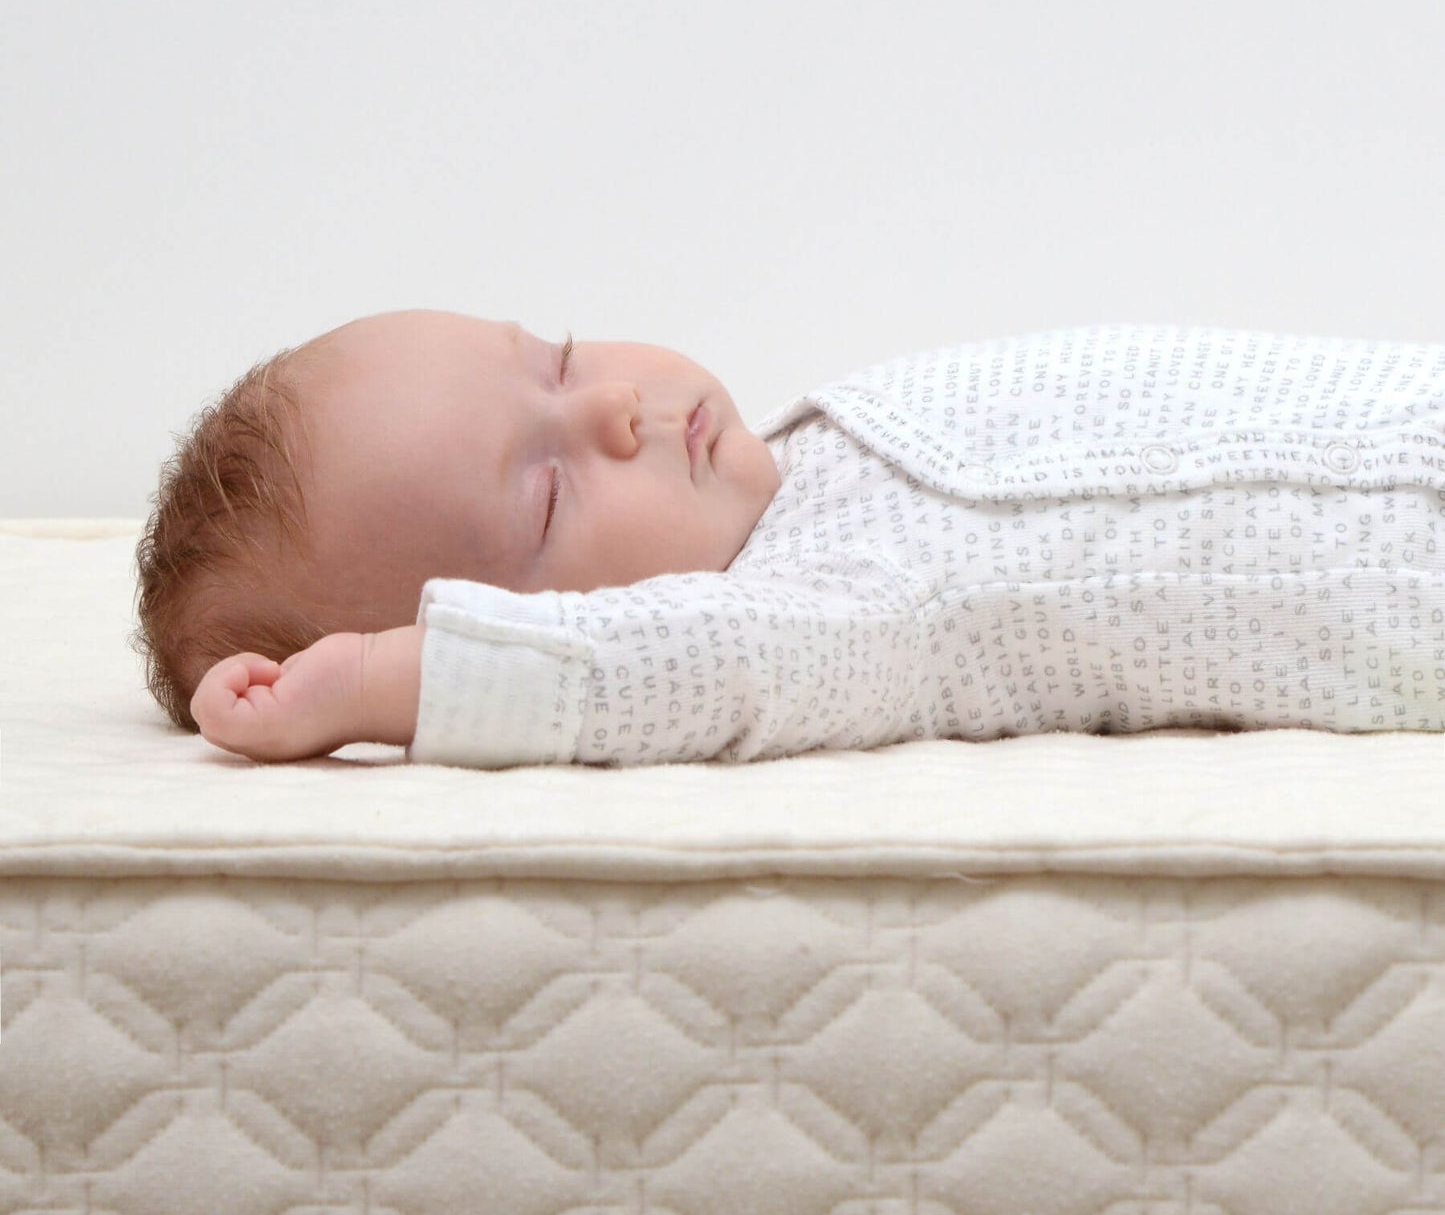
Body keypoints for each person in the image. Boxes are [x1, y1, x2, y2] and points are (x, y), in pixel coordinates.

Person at [133, 310, 1445, 767]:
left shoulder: (809, 458)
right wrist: (379, 686)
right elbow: (674, 669)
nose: (612, 407)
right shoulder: (817, 610)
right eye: (545, 497)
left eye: (557, 356)